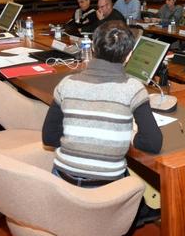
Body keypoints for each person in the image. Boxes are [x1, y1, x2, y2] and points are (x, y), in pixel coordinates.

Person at [42, 20, 163, 187]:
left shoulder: (67, 83)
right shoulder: (133, 88)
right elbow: (153, 143)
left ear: (92, 48)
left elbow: (48, 137)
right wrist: (128, 134)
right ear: (128, 55)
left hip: (62, 184)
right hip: (106, 190)